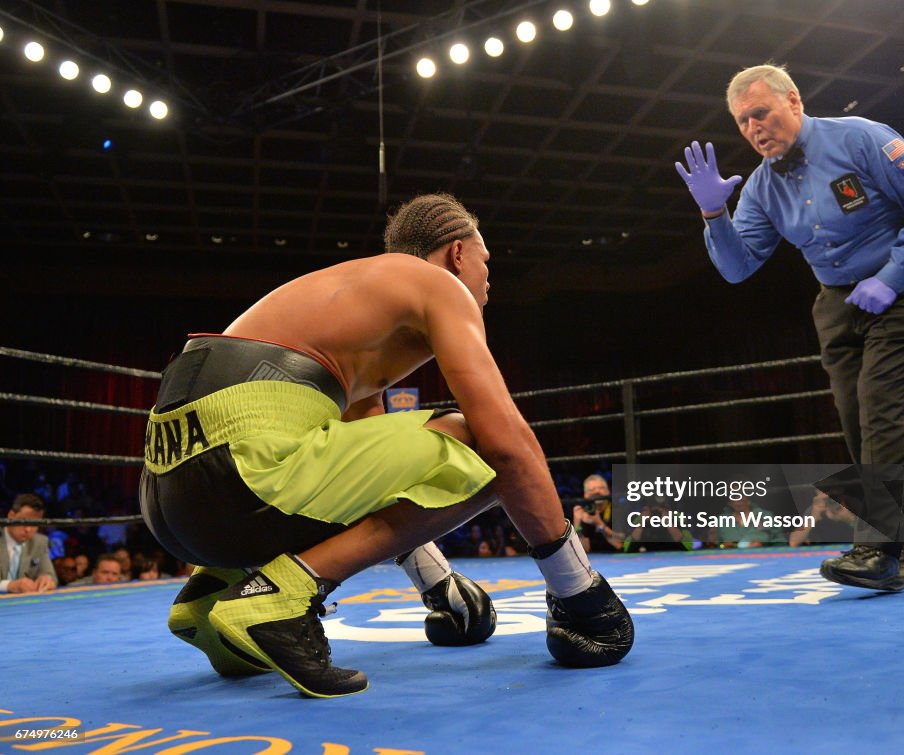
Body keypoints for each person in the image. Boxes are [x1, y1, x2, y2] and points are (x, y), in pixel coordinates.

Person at [139, 193, 633, 699]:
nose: (489, 280)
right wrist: (579, 589)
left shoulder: (356, 303)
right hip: (242, 467)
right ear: (458, 253)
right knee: (478, 443)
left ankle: (210, 592)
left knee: (403, 456)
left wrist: (437, 585)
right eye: (487, 262)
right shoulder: (437, 285)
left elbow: (370, 490)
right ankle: (283, 596)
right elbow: (507, 444)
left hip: (172, 499)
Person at [675, 63, 904, 591]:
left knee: (880, 414)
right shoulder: (759, 188)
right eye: (742, 121)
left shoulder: (863, 138)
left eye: (761, 112)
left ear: (794, 101)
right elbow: (738, 268)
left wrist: (894, 275)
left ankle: (878, 551)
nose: (754, 127)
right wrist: (715, 214)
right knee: (857, 422)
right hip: (836, 302)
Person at [1, 493, 57, 594]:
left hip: (25, 604)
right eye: (24, 522)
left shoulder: (40, 542)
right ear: (11, 516)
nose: (28, 529)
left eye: (35, 524)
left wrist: (46, 580)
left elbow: (50, 575)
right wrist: (9, 585)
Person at [572, 474, 625, 552]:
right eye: (592, 489)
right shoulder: (584, 513)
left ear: (608, 491)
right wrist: (577, 525)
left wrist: (599, 524)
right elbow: (585, 549)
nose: (597, 491)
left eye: (601, 488)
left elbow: (622, 543)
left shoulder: (619, 509)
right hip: (595, 560)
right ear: (585, 495)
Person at [789, 490, 856, 547]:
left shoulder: (850, 504)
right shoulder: (815, 510)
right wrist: (813, 517)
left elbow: (864, 532)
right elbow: (793, 542)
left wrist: (849, 518)